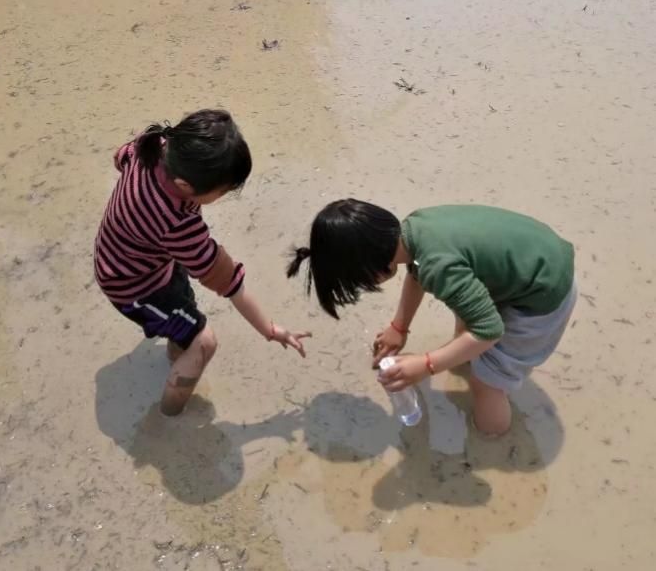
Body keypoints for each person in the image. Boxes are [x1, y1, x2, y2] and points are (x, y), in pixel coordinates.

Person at [288, 201, 576, 436]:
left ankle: (492, 438)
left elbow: (490, 330)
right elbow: (417, 275)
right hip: (535, 258)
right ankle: (464, 358)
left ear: (373, 271)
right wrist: (399, 327)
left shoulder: (437, 265)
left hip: (543, 295)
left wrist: (427, 365)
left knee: (486, 382)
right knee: (465, 312)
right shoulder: (415, 230)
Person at [95, 109, 310, 417]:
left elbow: (120, 158)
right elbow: (230, 283)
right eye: (221, 192)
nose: (224, 196)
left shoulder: (153, 144)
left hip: (132, 253)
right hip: (132, 286)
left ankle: (177, 352)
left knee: (185, 320)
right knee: (204, 342)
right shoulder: (177, 224)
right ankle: (168, 417)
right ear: (184, 186)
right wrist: (270, 328)